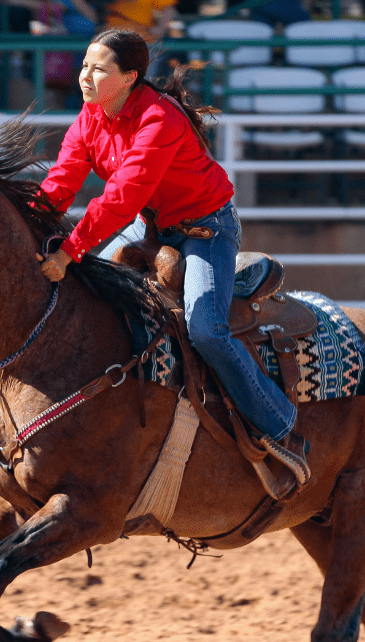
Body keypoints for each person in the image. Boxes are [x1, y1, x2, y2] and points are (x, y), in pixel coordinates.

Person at [36, 28, 309, 482]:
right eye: (84, 65)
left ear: (129, 78)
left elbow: (122, 196)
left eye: (98, 68)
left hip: (206, 229)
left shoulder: (159, 119)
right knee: (94, 297)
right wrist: (34, 221)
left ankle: (279, 423)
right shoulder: (90, 116)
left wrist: (69, 251)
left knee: (206, 329)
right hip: (151, 224)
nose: (84, 75)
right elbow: (60, 181)